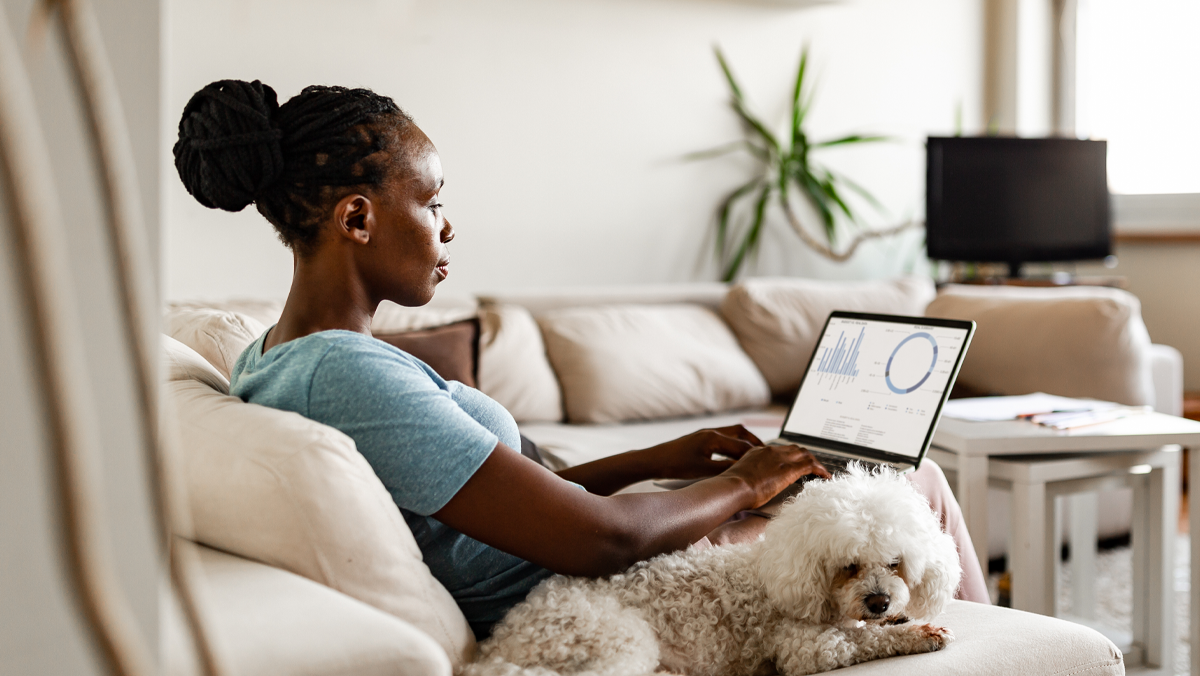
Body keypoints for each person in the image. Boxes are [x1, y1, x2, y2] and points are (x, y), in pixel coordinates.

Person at [173, 80, 989, 640]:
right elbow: (595, 542)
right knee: (908, 482)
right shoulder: (344, 375)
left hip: (572, 561)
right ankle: (1001, 649)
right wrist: (747, 483)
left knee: (857, 478)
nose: (446, 228)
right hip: (594, 590)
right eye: (431, 201)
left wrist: (657, 459)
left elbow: (501, 503)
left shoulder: (273, 357)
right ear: (357, 218)